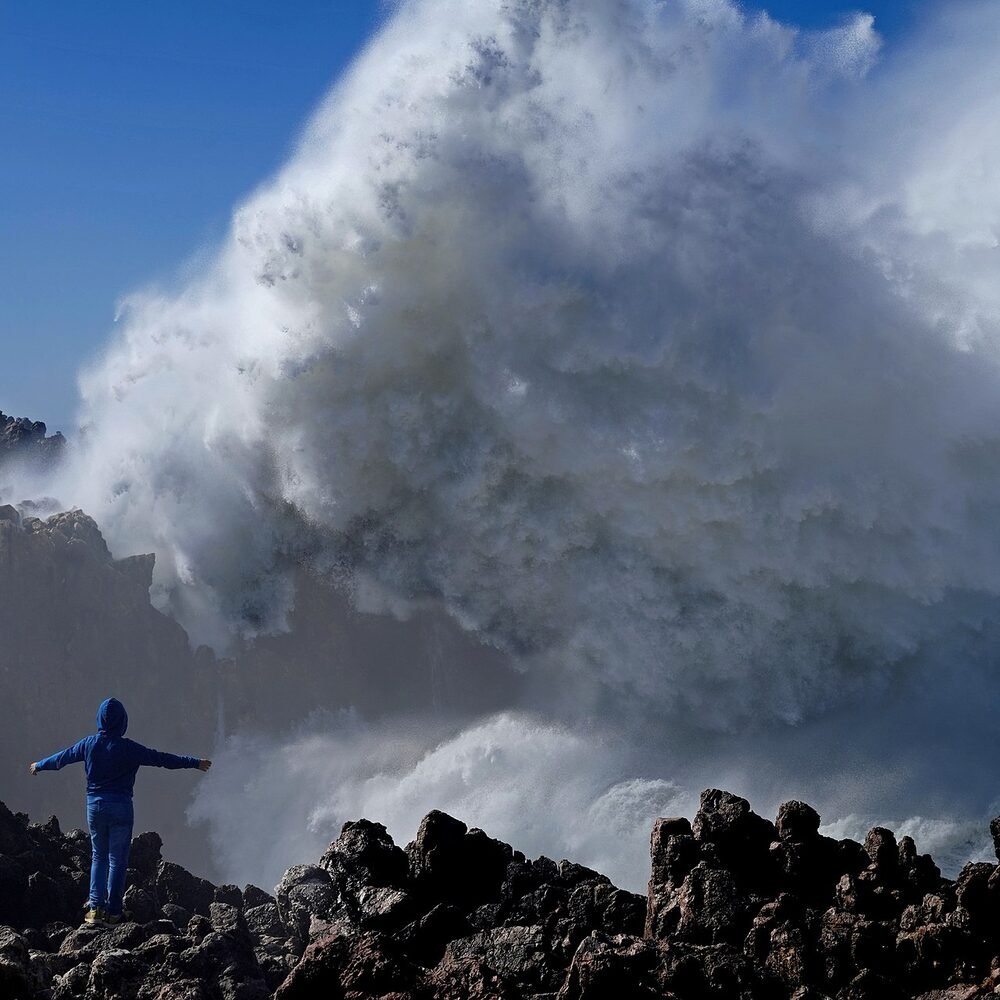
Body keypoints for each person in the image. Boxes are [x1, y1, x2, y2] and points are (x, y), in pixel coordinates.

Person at [29, 697, 211, 926]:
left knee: (98, 856)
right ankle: (114, 913)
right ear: (123, 721)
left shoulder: (88, 744)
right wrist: (194, 762)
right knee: (117, 861)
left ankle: (95, 911)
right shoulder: (129, 749)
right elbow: (162, 759)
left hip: (95, 806)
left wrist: (39, 765)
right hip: (122, 808)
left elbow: (61, 759)